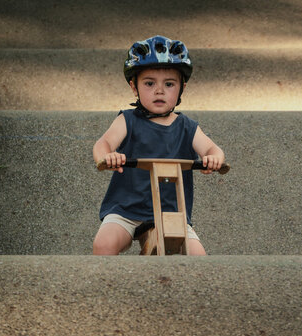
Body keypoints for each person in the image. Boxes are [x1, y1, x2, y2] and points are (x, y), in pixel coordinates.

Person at [93, 35, 225, 256]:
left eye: (169, 84)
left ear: (182, 88)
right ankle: (106, 288)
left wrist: (213, 158)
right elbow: (103, 143)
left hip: (170, 212)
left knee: (198, 256)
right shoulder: (127, 120)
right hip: (127, 209)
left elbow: (213, 149)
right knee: (104, 243)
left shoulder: (187, 127)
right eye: (149, 83)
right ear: (134, 87)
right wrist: (107, 156)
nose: (159, 90)